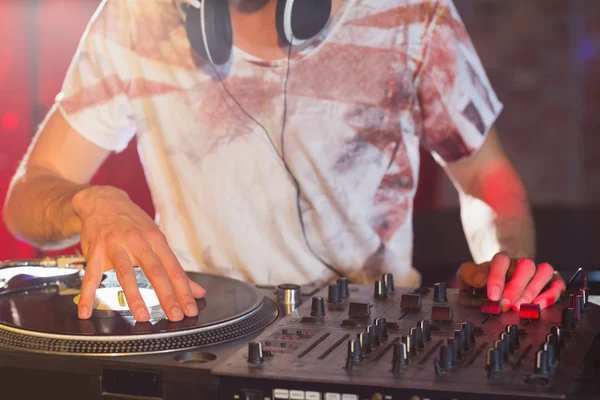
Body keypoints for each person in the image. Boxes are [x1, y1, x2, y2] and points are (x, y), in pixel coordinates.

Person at [2, 0, 565, 323]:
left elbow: (486, 178)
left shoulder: (412, 13)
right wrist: (89, 202)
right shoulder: (138, 17)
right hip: (201, 335)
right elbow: (28, 199)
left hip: (373, 331)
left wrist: (505, 265)